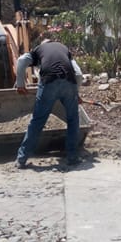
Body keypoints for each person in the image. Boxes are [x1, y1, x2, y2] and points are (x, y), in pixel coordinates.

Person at [14, 39, 83, 169]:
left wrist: (20, 84)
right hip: (69, 82)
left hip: (49, 82)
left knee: (37, 121)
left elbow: (21, 61)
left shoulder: (38, 50)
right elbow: (78, 74)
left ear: (42, 45)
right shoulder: (64, 49)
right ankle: (72, 158)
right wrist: (75, 94)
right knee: (73, 120)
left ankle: (21, 159)